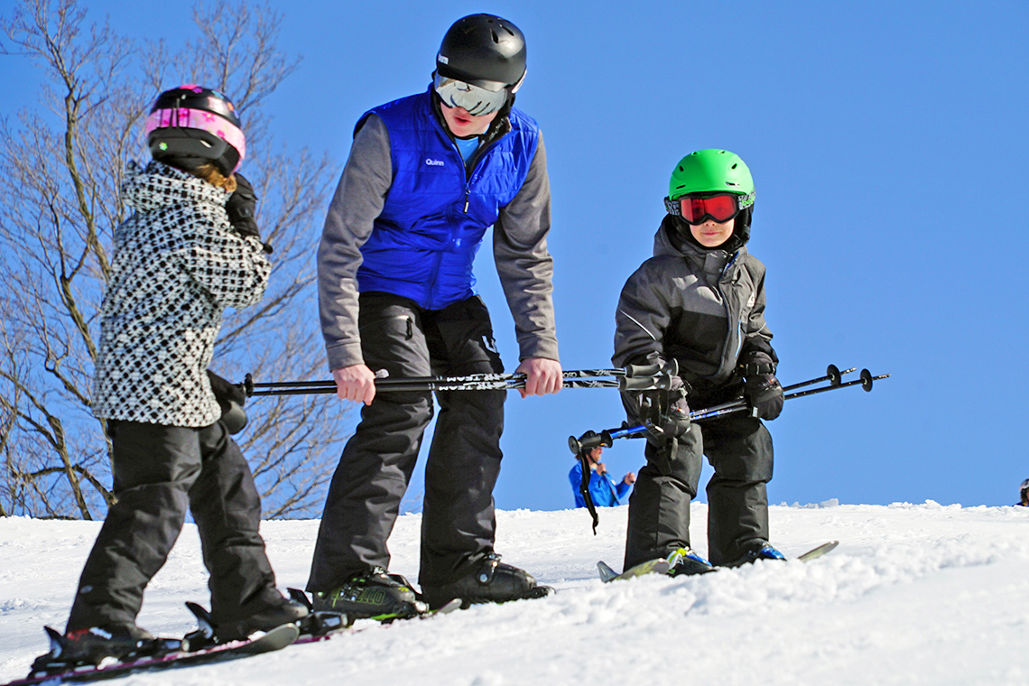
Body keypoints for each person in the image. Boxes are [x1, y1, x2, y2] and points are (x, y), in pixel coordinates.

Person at [309, 13, 561, 616]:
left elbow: (525, 253)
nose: (460, 108)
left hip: (453, 297)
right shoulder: (389, 131)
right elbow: (340, 247)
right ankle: (347, 574)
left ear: (511, 93)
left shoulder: (523, 145)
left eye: (480, 98)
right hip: (382, 292)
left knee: (481, 399)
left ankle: (459, 566)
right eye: (450, 89)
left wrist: (540, 346)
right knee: (404, 405)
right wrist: (347, 353)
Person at [55, 85, 307, 665]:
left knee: (227, 489)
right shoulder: (190, 209)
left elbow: (158, 308)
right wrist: (246, 226)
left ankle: (247, 602)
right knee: (154, 503)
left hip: (174, 383)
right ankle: (97, 624)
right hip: (155, 393)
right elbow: (246, 282)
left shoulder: (153, 203)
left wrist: (204, 377)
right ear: (223, 151)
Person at [612, 149, 787, 576]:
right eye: (696, 209)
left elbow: (756, 332)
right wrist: (662, 393)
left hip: (722, 388)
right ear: (678, 213)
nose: (709, 221)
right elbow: (637, 342)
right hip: (663, 389)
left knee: (749, 444)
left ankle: (743, 546)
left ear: (742, 210)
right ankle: (660, 550)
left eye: (720, 208)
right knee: (679, 449)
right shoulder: (657, 276)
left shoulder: (750, 274)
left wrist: (761, 371)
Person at [569, 445, 635, 508]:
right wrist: (596, 475)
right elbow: (580, 490)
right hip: (593, 514)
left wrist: (625, 483)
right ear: (588, 450)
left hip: (611, 513)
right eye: (598, 448)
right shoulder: (578, 470)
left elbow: (614, 495)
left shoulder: (600, 469)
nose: (601, 452)